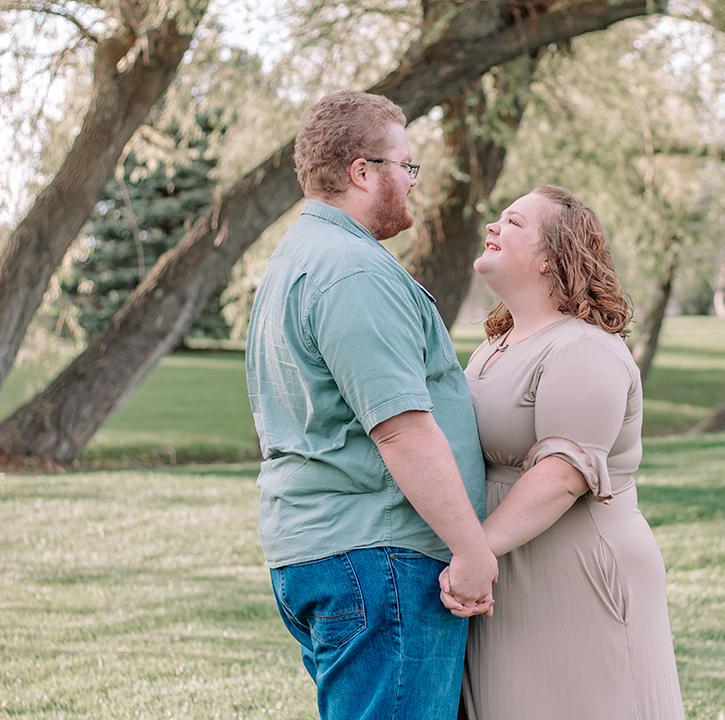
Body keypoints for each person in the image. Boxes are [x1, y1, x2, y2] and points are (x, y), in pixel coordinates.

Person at [245, 91, 497, 720]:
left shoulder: (297, 259)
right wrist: (470, 549)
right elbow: (402, 431)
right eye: (406, 167)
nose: (413, 183)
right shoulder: (353, 272)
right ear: (363, 171)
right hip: (379, 558)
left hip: (331, 552)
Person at [441, 185, 686, 719]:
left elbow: (563, 475)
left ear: (553, 258)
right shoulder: (496, 344)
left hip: (579, 572)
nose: (493, 228)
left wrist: (475, 551)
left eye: (513, 222)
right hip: (513, 568)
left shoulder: (582, 347)